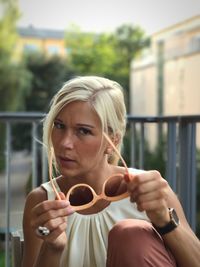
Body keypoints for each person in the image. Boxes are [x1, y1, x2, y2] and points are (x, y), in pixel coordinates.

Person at [22, 76, 200, 267]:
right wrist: (52, 248)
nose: (64, 143)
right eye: (59, 126)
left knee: (130, 234)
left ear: (112, 141)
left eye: (83, 131)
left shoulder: (148, 190)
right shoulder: (42, 201)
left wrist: (164, 220)